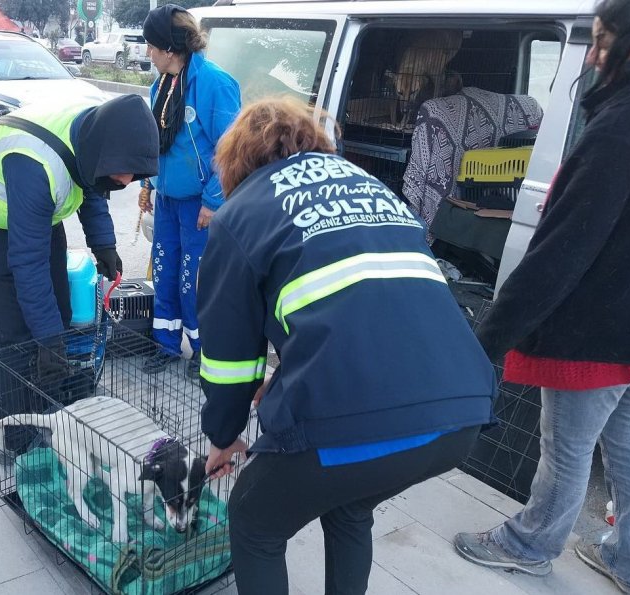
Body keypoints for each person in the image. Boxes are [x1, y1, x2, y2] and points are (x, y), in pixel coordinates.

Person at [198, 97, 496, 595]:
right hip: (460, 414)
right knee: (350, 505)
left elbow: (228, 360)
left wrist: (224, 437)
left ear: (239, 161)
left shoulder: (243, 213)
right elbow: (372, 308)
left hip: (352, 419)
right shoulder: (374, 189)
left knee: (255, 520)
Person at [452, 1, 630, 593]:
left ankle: (529, 543)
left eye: (602, 40)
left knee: (567, 448)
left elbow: (562, 252)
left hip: (598, 327)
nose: (592, 55)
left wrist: (487, 337)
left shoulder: (620, 130)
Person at [0, 94, 158, 356]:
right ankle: (15, 392)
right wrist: (49, 342)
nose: (126, 181)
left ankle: (52, 381)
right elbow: (28, 263)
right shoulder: (36, 166)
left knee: (60, 309)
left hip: (33, 205)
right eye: (124, 170)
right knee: (14, 331)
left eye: (134, 174)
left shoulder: (93, 132)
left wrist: (103, 245)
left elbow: (90, 179)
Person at [138, 4, 241, 380]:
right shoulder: (160, 84)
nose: (147, 53)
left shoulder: (215, 84)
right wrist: (148, 183)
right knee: (164, 271)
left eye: (151, 45)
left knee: (194, 278)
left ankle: (203, 350)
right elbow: (158, 140)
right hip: (167, 199)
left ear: (169, 48)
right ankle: (166, 343)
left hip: (200, 204)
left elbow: (231, 149)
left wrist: (214, 201)